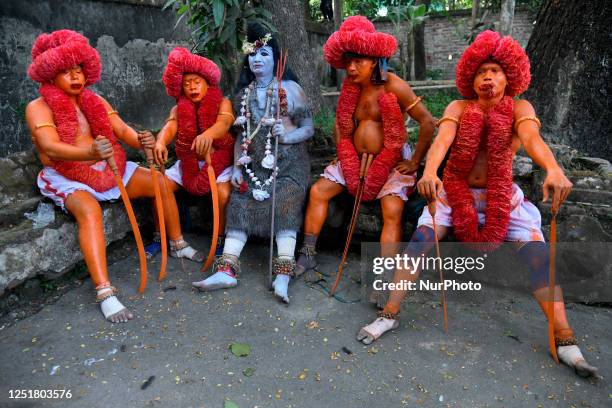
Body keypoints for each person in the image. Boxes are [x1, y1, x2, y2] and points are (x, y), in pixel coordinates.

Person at [356, 30, 598, 378]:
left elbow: (531, 139)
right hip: (455, 193)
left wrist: (554, 169)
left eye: (496, 71)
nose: (488, 76)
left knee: (538, 258)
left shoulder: (520, 107)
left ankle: (564, 338)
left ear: (509, 76)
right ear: (470, 76)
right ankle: (388, 316)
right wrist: (432, 171)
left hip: (503, 197)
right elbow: (443, 140)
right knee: (420, 243)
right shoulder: (459, 106)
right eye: (482, 70)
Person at [25, 30, 198, 323]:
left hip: (108, 166)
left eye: (78, 70)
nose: (75, 77)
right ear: (51, 75)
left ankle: (176, 243)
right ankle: (104, 290)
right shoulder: (38, 107)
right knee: (89, 211)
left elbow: (120, 131)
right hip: (66, 173)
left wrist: (141, 140)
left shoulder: (95, 100)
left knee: (160, 182)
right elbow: (48, 147)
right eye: (66, 72)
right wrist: (89, 153)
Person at [295, 16, 436, 286]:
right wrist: (343, 150)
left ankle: (385, 274)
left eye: (358, 61)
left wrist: (415, 162)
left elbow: (428, 122)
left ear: (374, 60)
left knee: (392, 208)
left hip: (390, 161)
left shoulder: (394, 85)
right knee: (317, 191)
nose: (350, 67)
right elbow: (340, 122)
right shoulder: (351, 88)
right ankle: (308, 253)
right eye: (347, 61)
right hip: (353, 160)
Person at [192, 24, 314, 304]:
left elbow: (308, 128)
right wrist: (237, 167)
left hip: (289, 167)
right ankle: (226, 270)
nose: (257, 59)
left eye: (264, 54)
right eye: (252, 55)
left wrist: (289, 136)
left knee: (284, 206)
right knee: (238, 204)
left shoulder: (291, 90)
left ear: (276, 59)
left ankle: (283, 274)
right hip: (254, 166)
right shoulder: (242, 96)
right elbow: (241, 137)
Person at [149, 47, 235, 261]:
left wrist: (208, 135)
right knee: (159, 186)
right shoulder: (179, 108)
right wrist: (160, 141)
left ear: (207, 82)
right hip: (187, 161)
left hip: (219, 160)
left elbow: (224, 123)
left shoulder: (223, 103)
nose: (192, 87)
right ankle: (161, 236)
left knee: (223, 194)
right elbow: (170, 127)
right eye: (187, 84)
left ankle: (221, 238)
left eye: (196, 81)